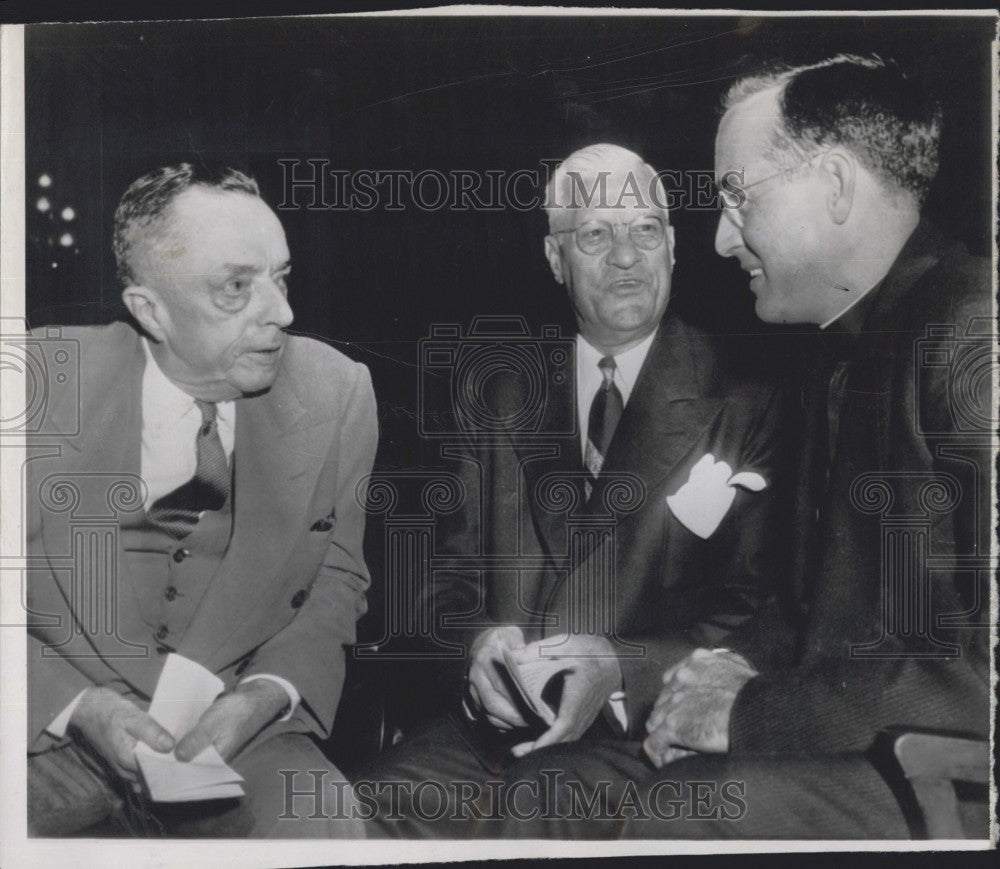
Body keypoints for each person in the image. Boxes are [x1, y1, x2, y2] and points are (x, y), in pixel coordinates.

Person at [504, 55, 992, 839]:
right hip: (837, 746)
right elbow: (797, 625)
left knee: (683, 811)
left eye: (737, 196)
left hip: (945, 779)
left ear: (833, 186)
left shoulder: (973, 335)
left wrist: (749, 708)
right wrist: (660, 678)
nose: (724, 239)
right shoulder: (823, 358)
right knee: (549, 788)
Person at [359, 144, 788, 837]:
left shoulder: (750, 396)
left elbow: (761, 614)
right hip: (488, 737)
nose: (626, 256)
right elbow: (443, 581)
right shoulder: (495, 390)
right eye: (595, 234)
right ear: (556, 259)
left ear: (675, 247)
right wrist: (474, 648)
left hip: (647, 738)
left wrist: (620, 671)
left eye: (645, 229)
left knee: (542, 799)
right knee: (353, 809)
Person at [26, 164, 377, 838]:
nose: (282, 313)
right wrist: (76, 707)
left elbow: (337, 577)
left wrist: (263, 695)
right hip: (52, 717)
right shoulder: (36, 386)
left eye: (281, 277)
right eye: (237, 288)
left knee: (324, 824)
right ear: (149, 310)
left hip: (236, 729)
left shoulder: (337, 392)